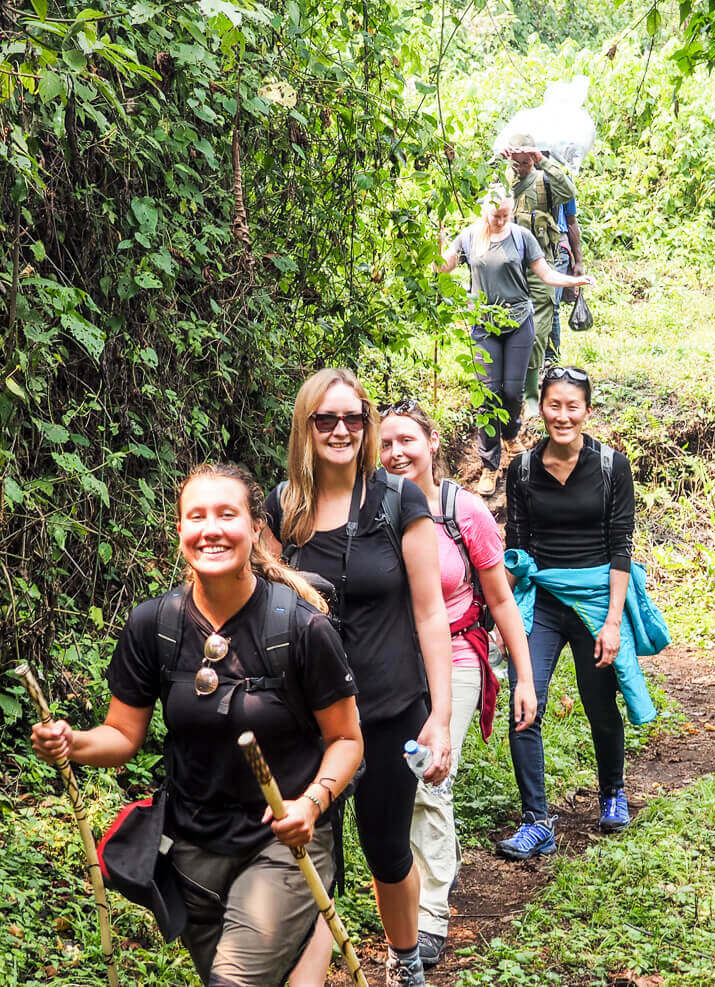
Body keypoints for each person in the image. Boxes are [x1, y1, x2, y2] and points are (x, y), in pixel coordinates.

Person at [29, 463, 364, 986]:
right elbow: (122, 735)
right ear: (181, 530)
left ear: (255, 528)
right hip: (194, 851)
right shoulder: (154, 625)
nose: (211, 529)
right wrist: (72, 743)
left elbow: (346, 740)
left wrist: (312, 803)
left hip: (284, 842)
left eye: (227, 515)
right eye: (196, 516)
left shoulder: (301, 627)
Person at [263, 369, 453, 987]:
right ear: (306, 427)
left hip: (390, 708)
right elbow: (260, 613)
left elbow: (429, 613)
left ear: (367, 426)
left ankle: (405, 962)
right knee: (309, 850)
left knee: (386, 847)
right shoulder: (281, 509)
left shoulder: (400, 499)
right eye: (326, 419)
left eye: (353, 418)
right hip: (308, 716)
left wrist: (441, 716)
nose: (341, 430)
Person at [378, 399, 539, 968]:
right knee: (390, 786)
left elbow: (499, 598)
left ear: (431, 444)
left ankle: (431, 916)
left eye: (407, 441)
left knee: (430, 776)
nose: (397, 453)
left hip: (456, 654)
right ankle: (404, 894)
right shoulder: (370, 509)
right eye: (387, 443)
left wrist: (523, 675)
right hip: (392, 662)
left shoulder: (462, 511)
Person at [497, 366, 637, 861]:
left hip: (595, 602)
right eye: (553, 405)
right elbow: (517, 546)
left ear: (587, 411)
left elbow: (621, 548)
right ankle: (536, 821)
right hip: (542, 602)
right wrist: (499, 611)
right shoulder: (523, 469)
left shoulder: (611, 466)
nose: (562, 416)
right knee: (523, 701)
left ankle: (613, 793)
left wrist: (613, 621)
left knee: (600, 702)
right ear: (540, 408)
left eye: (572, 406)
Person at [434, 188, 595, 497]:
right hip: (484, 325)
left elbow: (546, 273)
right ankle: (489, 464)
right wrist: (438, 242)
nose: (501, 221)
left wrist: (574, 280)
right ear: (485, 212)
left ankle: (510, 433)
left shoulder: (521, 237)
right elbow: (443, 267)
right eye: (496, 216)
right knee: (487, 395)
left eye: (505, 215)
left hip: (519, 321)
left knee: (512, 391)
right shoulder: (469, 237)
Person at [503, 135, 577, 416]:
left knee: (538, 331)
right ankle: (511, 390)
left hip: (541, 264)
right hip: (508, 267)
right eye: (517, 161)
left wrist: (540, 160)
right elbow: (485, 201)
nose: (521, 167)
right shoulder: (504, 179)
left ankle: (530, 394)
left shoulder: (545, 179)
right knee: (509, 329)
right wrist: (500, 162)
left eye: (525, 162)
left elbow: (569, 192)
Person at [548, 194, 586, 363]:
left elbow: (571, 221)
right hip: (531, 242)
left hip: (558, 246)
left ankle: (552, 359)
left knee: (551, 305)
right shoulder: (518, 175)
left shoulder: (562, 179)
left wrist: (578, 261)